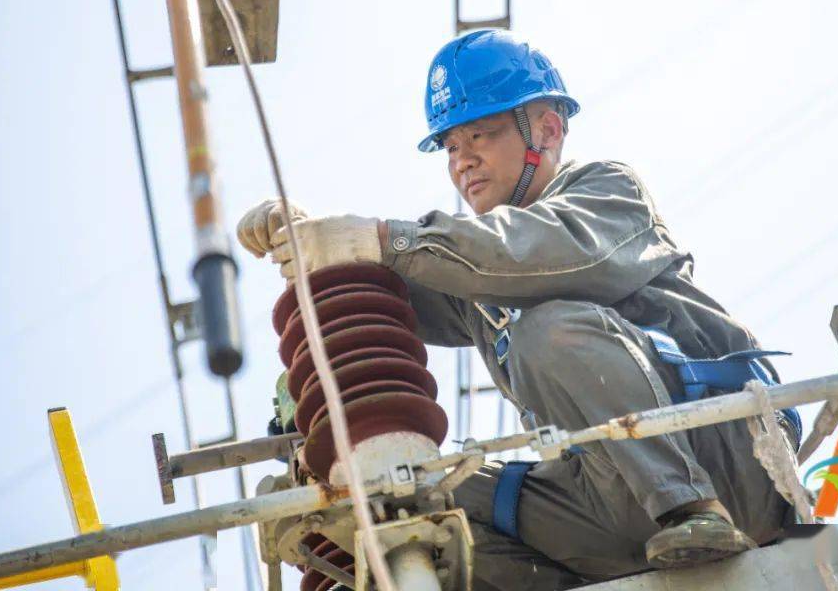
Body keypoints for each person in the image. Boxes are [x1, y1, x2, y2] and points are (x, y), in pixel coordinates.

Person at [237, 30, 798, 590]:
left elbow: (534, 250)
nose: (463, 161)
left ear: (548, 130)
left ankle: (693, 511)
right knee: (410, 494)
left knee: (547, 330)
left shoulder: (608, 194)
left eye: (480, 134)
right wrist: (310, 244)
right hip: (605, 507)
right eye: (451, 148)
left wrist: (385, 239)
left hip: (726, 464)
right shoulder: (474, 280)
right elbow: (380, 299)